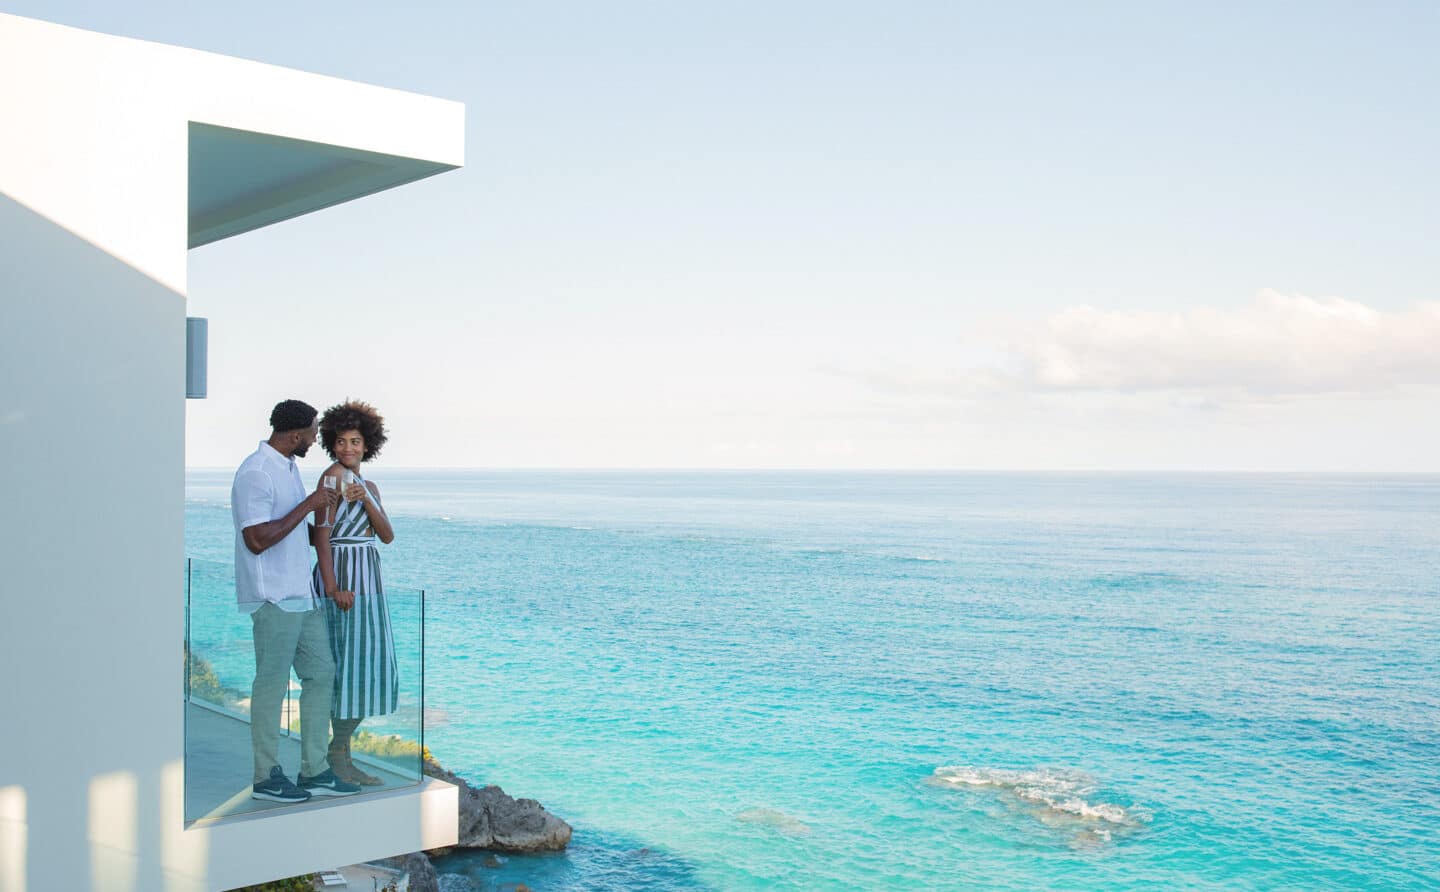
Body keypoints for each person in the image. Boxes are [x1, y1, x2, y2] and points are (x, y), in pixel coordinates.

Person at [232, 400, 361, 802]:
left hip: (300, 598)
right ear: (295, 435)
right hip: (272, 598)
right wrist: (309, 504)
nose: (316, 437)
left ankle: (314, 770)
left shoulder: (288, 468)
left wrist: (330, 513)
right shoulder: (256, 472)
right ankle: (265, 776)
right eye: (313, 430)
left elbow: (292, 530)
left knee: (322, 674)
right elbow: (255, 540)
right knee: (271, 685)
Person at [310, 400, 398, 786]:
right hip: (344, 576)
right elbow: (322, 537)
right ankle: (337, 755)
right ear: (332, 443)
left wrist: (366, 499)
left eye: (356, 442)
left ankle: (340, 749)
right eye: (342, 441)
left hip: (369, 578)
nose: (348, 448)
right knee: (346, 665)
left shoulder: (368, 485)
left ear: (368, 445)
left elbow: (387, 535)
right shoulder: (330, 480)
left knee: (371, 664)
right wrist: (333, 587)